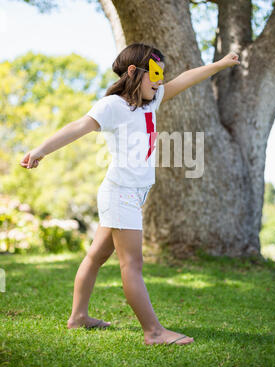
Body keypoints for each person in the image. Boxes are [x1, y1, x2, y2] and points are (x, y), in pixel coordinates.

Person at [20, 42, 240, 345]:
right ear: (134, 71)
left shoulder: (152, 101)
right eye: (154, 73)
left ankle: (78, 318)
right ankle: (154, 332)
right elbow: (78, 126)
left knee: (97, 256)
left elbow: (186, 78)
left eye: (161, 73)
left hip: (134, 193)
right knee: (132, 264)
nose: (160, 80)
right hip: (119, 192)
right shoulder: (112, 106)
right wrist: (40, 150)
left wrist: (220, 64)